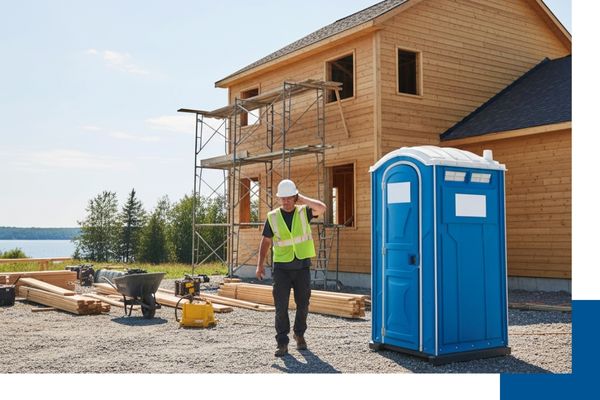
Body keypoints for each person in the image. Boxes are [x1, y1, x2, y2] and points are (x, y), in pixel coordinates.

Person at [256, 179, 327, 357]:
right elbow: (265, 241)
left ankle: (299, 334)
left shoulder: (304, 212)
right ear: (279, 199)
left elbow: (322, 208)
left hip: (302, 266)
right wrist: (259, 265)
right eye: (283, 198)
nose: (286, 201)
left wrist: (301, 197)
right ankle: (282, 342)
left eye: (289, 198)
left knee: (303, 304)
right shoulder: (272, 216)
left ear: (294, 198)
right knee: (281, 306)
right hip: (282, 268)